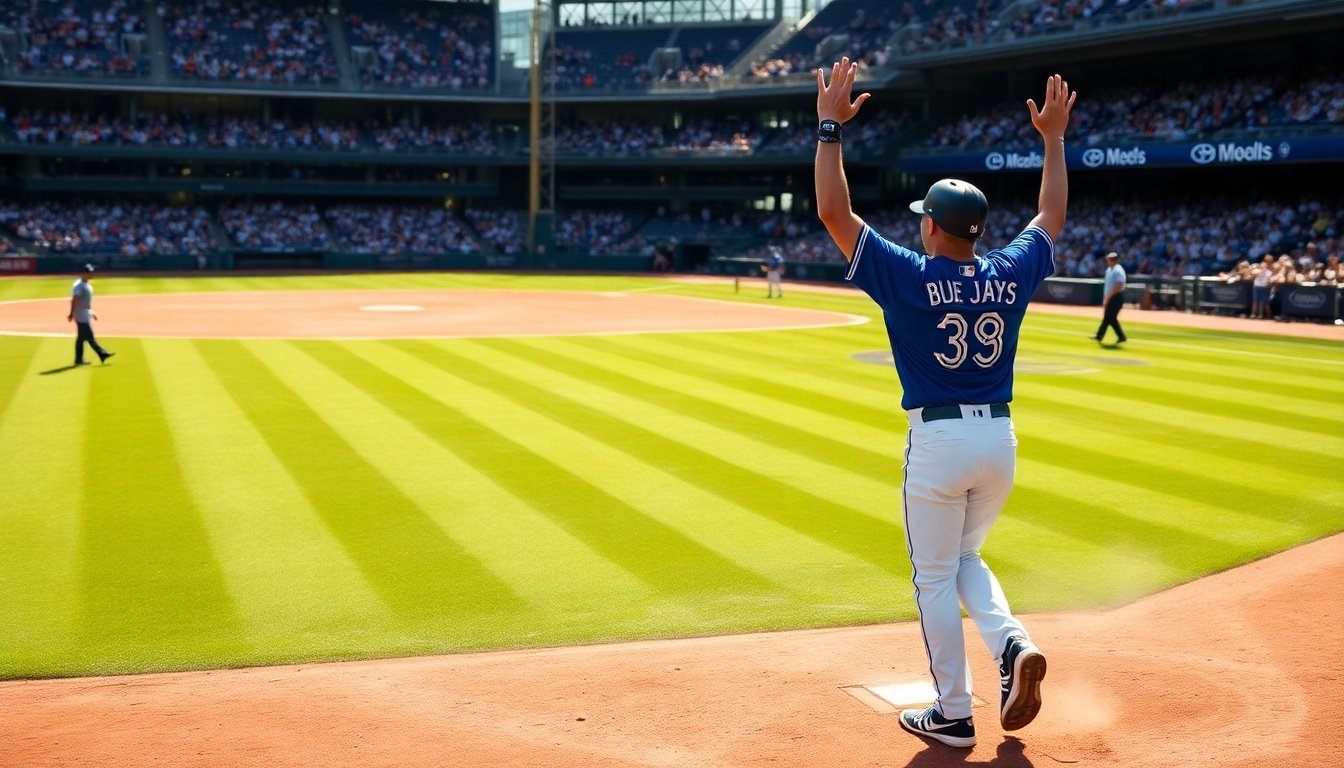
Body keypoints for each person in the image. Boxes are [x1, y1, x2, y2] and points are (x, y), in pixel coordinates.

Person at [815, 58, 1071, 749]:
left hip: (939, 443)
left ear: (931, 227)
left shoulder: (907, 273)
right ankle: (1012, 647)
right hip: (1000, 443)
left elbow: (833, 212)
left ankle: (954, 711)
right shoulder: (1007, 270)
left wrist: (830, 128)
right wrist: (1053, 138)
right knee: (963, 560)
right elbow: (1050, 214)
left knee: (933, 575)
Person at [68, 263, 114, 366]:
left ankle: (78, 359)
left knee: (81, 338)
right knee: (89, 336)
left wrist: (91, 312)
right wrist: (71, 314)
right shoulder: (79, 286)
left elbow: (86, 302)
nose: (91, 274)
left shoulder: (86, 284)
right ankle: (102, 353)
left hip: (84, 312)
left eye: (91, 272)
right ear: (83, 273)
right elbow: (74, 300)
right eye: (89, 272)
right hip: (80, 314)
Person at [1095, 252, 1127, 343]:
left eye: (1110, 259)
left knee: (1109, 318)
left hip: (1116, 297)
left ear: (1115, 260)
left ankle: (1100, 336)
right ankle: (1100, 336)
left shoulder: (1118, 270)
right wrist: (1106, 297)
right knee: (1109, 318)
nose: (1108, 261)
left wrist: (1108, 297)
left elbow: (1119, 284)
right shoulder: (1109, 270)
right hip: (1110, 297)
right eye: (1108, 259)